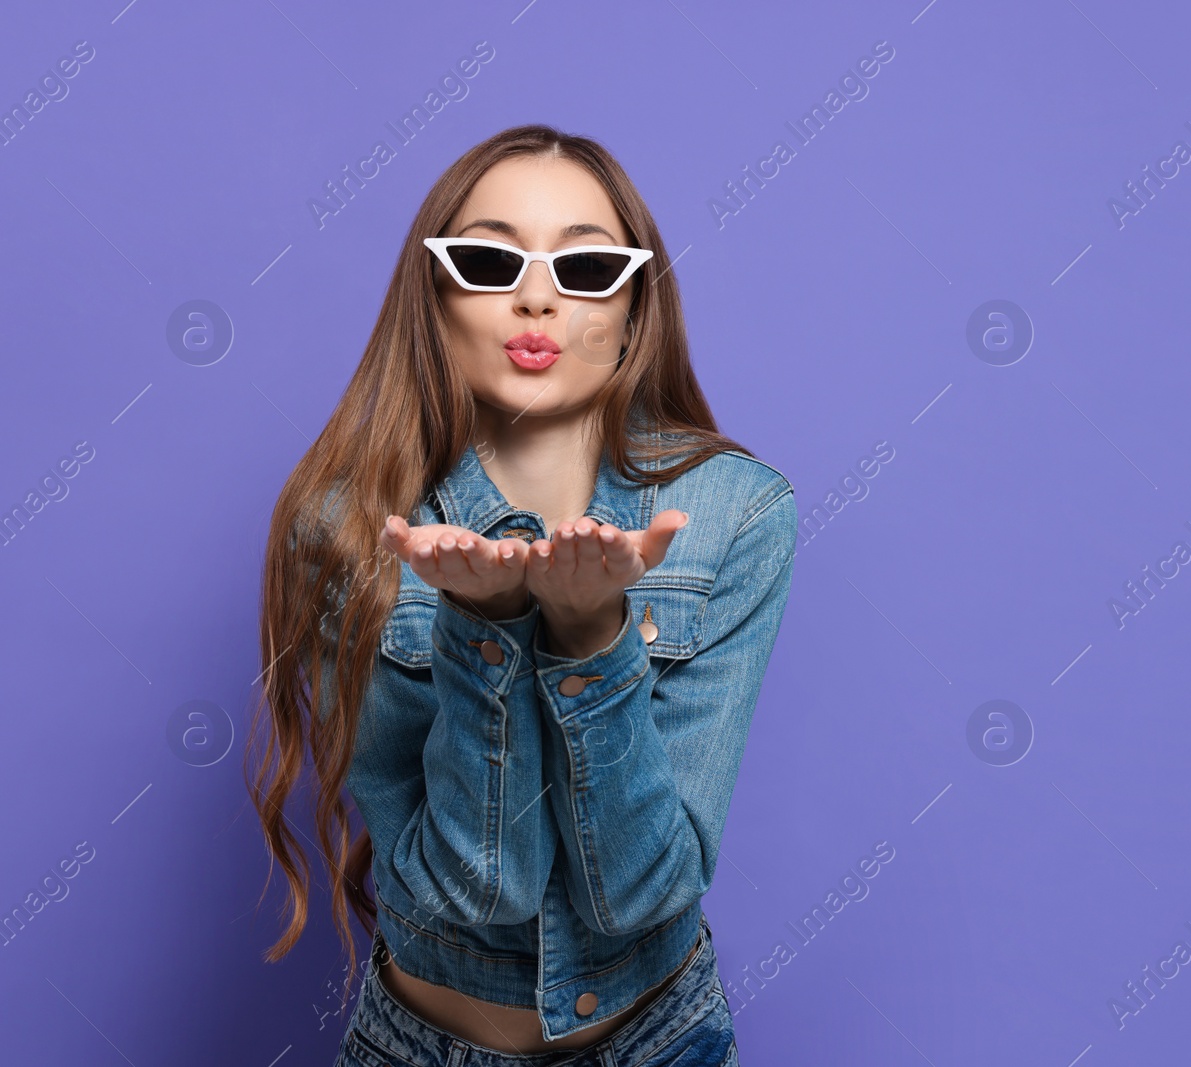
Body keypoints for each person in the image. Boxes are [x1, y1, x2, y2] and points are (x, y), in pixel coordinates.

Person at [245, 123, 797, 1067]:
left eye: (585, 270)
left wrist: (591, 635)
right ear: (435, 294)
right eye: (490, 260)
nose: (537, 296)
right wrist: (488, 626)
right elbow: (470, 891)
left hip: (659, 1042)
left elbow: (641, 890)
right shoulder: (343, 528)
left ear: (633, 309)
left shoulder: (735, 513)